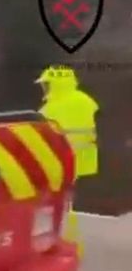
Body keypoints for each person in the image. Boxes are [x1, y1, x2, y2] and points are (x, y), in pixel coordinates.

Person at [35, 65, 100, 255]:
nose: (44, 88)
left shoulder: (49, 110)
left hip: (61, 164)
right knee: (66, 204)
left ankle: (65, 244)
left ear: (56, 84)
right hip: (83, 160)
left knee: (59, 206)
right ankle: (65, 241)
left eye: (47, 84)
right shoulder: (87, 101)